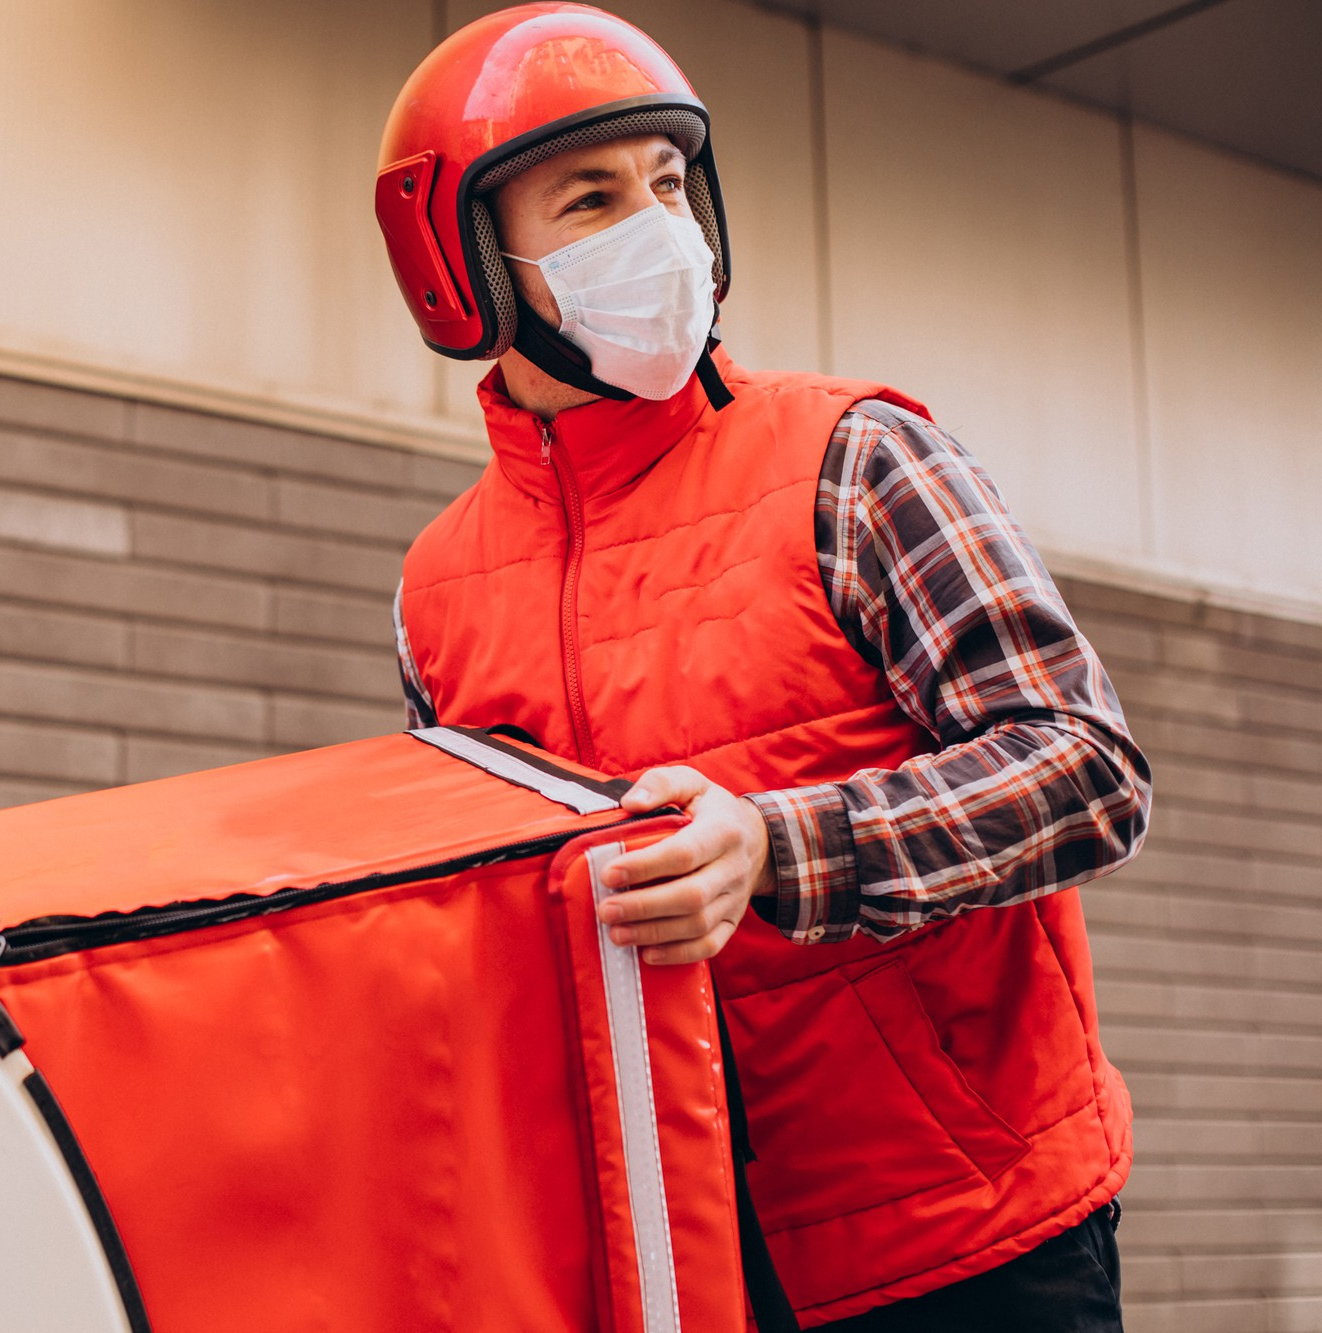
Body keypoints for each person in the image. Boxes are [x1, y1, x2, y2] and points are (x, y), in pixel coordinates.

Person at [374, 6, 1151, 1330]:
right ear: (464, 265)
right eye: (593, 196)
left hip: (970, 1244)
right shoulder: (438, 588)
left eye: (670, 184)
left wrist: (779, 850)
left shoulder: (854, 459)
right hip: (679, 1270)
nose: (660, 227)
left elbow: (1084, 765)